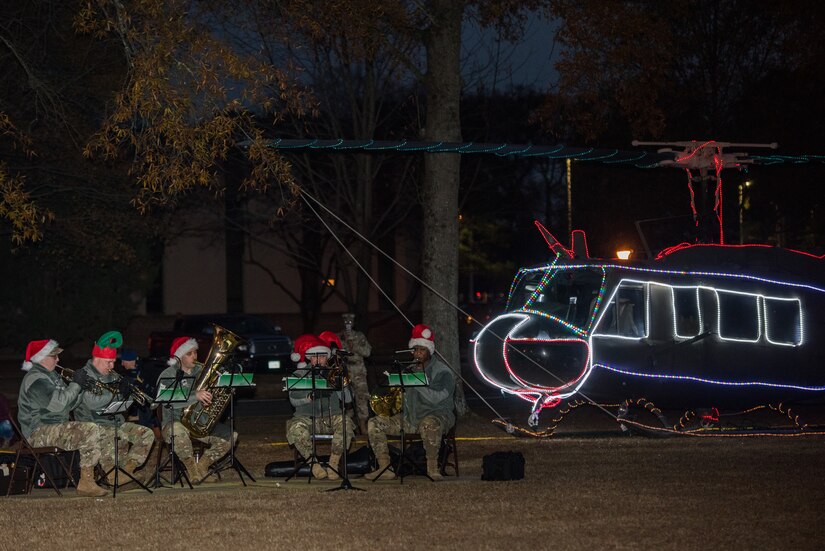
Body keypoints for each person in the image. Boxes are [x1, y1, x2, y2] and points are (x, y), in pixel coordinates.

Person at [16, 339, 110, 496]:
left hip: (54, 428)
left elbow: (69, 405)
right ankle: (86, 481)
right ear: (42, 357)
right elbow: (59, 404)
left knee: (95, 428)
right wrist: (76, 384)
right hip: (38, 432)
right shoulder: (36, 380)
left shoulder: (53, 376)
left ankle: (96, 477)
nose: (58, 360)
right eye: (54, 356)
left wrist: (81, 389)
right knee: (89, 430)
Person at [365, 324, 455, 481]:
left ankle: (433, 469)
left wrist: (415, 382)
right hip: (410, 419)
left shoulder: (443, 372)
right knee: (374, 423)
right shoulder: (408, 370)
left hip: (437, 416)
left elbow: (438, 398)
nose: (417, 353)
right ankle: (385, 467)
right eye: (415, 350)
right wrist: (392, 388)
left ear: (430, 351)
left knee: (429, 423)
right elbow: (399, 400)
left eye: (422, 350)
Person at [73, 339, 155, 486]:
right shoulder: (84, 375)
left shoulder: (111, 374)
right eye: (108, 362)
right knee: (114, 435)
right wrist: (118, 393)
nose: (112, 366)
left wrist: (129, 391)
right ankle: (113, 476)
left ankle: (126, 471)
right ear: (97, 360)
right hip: (94, 424)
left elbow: (123, 401)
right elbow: (92, 402)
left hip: (115, 421)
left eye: (113, 362)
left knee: (146, 434)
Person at [156, 336, 233, 483]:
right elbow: (166, 400)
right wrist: (195, 396)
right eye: (189, 353)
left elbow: (213, 395)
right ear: (179, 356)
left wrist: (224, 388)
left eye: (195, 353)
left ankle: (202, 467)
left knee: (230, 436)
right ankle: (192, 471)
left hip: (198, 424)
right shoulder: (168, 374)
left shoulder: (202, 371)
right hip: (174, 422)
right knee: (178, 431)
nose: (194, 357)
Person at [286, 334, 354, 480]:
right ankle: (313, 464)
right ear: (310, 358)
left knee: (346, 423)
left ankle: (333, 464)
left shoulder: (333, 373)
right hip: (307, 418)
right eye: (315, 356)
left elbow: (347, 400)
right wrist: (308, 398)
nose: (319, 360)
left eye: (322, 356)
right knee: (296, 428)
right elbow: (293, 401)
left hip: (331, 416)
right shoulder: (299, 375)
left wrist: (344, 384)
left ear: (326, 358)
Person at [337, 313, 372, 434]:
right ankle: (347, 427)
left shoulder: (359, 336)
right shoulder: (339, 336)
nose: (348, 324)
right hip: (344, 372)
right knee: (345, 400)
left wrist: (355, 346)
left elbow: (367, 352)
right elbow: (333, 353)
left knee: (362, 398)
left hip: (359, 372)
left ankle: (363, 426)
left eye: (350, 322)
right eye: (346, 322)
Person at [119, 348, 161, 437]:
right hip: (139, 407)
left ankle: (155, 437)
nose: (122, 364)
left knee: (150, 413)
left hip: (151, 404)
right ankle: (150, 436)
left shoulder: (145, 370)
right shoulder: (126, 375)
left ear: (131, 361)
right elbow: (124, 395)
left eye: (124, 361)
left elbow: (153, 387)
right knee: (146, 412)